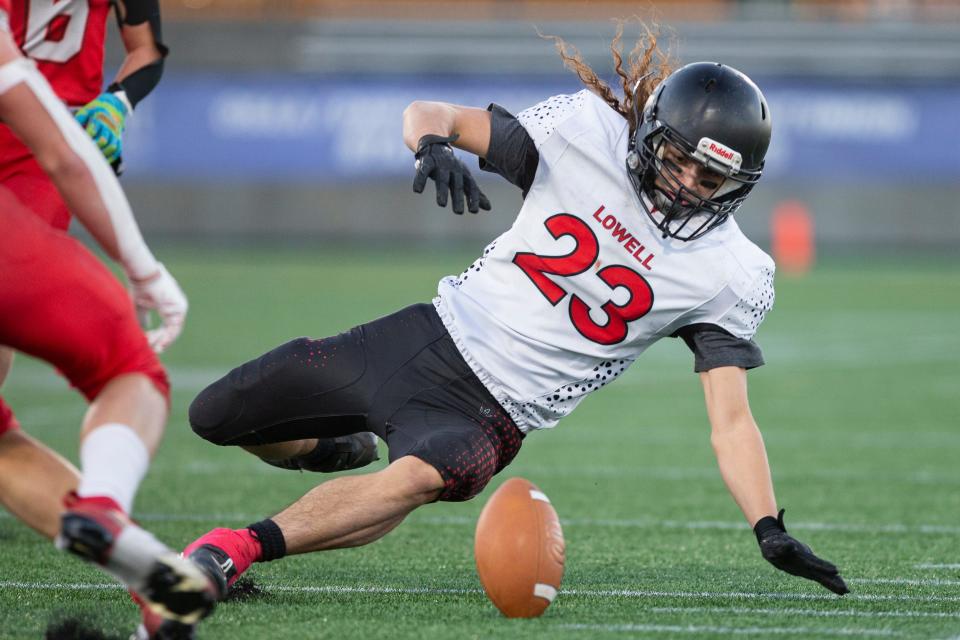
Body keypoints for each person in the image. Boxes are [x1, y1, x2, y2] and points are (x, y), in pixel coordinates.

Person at [162, 22, 848, 636]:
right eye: (679, 159)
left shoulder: (730, 272)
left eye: (711, 175)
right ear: (648, 136)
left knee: (420, 477)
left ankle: (231, 550)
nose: (688, 183)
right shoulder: (586, 134)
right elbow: (428, 112)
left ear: (742, 183)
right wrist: (430, 145)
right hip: (428, 334)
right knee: (215, 414)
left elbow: (731, 421)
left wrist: (767, 527)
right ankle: (333, 448)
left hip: (493, 411)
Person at [0, 6, 219, 626]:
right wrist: (143, 268)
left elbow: (145, 49)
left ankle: (151, 578)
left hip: (32, 154)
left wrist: (117, 100)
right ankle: (105, 508)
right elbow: (63, 154)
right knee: (128, 368)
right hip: (36, 153)